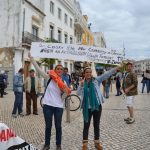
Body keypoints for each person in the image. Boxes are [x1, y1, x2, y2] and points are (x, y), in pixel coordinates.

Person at [28, 53, 69, 150]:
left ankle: (58, 145)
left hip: (58, 106)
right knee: (48, 126)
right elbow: (38, 69)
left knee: (58, 126)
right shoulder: (48, 78)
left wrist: (65, 93)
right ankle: (47, 145)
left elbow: (63, 97)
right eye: (57, 69)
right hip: (48, 105)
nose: (59, 70)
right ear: (55, 70)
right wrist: (32, 58)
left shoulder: (64, 83)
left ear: (63, 72)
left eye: (61, 69)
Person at [77, 65, 121, 150]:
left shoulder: (96, 80)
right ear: (84, 74)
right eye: (87, 72)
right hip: (87, 108)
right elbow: (78, 93)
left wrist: (115, 69)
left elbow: (106, 74)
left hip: (97, 106)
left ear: (91, 73)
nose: (88, 74)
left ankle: (97, 143)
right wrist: (81, 85)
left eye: (90, 72)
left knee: (96, 125)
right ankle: (85, 144)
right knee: (86, 125)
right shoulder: (82, 82)